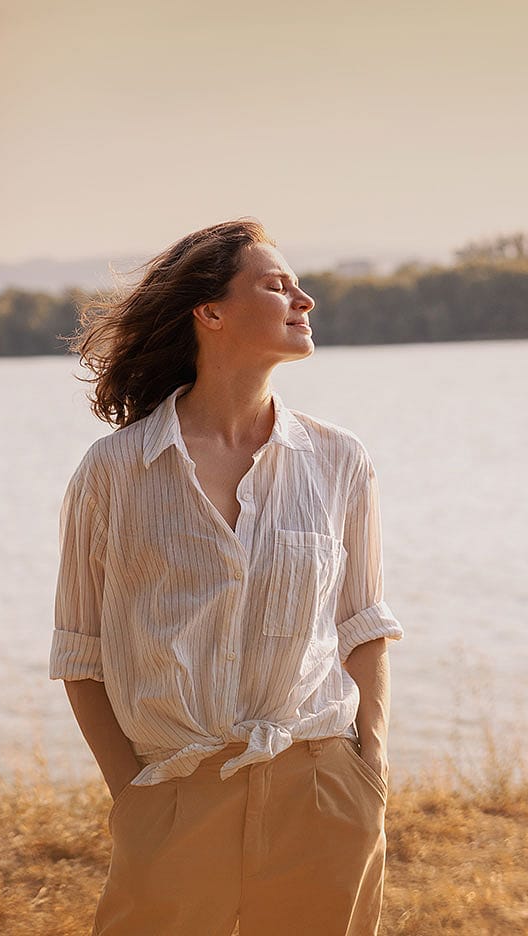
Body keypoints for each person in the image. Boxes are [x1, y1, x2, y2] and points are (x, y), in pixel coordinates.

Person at [49, 217, 403, 936]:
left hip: (323, 792)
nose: (303, 299)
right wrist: (136, 798)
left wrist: (371, 770)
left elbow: (363, 625)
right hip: (176, 795)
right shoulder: (115, 472)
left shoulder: (340, 461)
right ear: (209, 312)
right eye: (276, 286)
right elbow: (80, 654)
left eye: (297, 284)